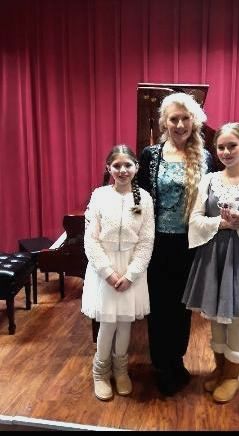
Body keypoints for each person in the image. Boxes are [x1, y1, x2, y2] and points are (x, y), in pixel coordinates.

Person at [182, 122, 239, 403]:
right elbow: (195, 219)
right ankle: (219, 369)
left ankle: (233, 375)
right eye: (220, 147)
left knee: (234, 317)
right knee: (213, 315)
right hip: (211, 254)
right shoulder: (208, 180)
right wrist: (220, 223)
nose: (226, 151)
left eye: (232, 145)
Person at [137, 92, 214, 396]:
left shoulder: (205, 157)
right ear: (164, 123)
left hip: (190, 244)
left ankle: (177, 359)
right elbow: (140, 198)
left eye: (185, 118)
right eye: (174, 119)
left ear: (193, 121)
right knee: (159, 306)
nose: (180, 124)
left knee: (183, 307)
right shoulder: (150, 155)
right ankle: (161, 364)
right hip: (156, 244)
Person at [81, 145, 154, 401]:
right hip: (105, 269)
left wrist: (132, 273)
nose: (123, 170)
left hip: (131, 268)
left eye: (128, 165)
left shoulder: (144, 198)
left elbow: (146, 240)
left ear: (137, 167)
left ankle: (121, 371)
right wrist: (108, 273)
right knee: (108, 323)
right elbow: (91, 240)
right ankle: (100, 372)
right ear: (108, 168)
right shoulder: (99, 196)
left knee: (125, 323)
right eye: (117, 165)